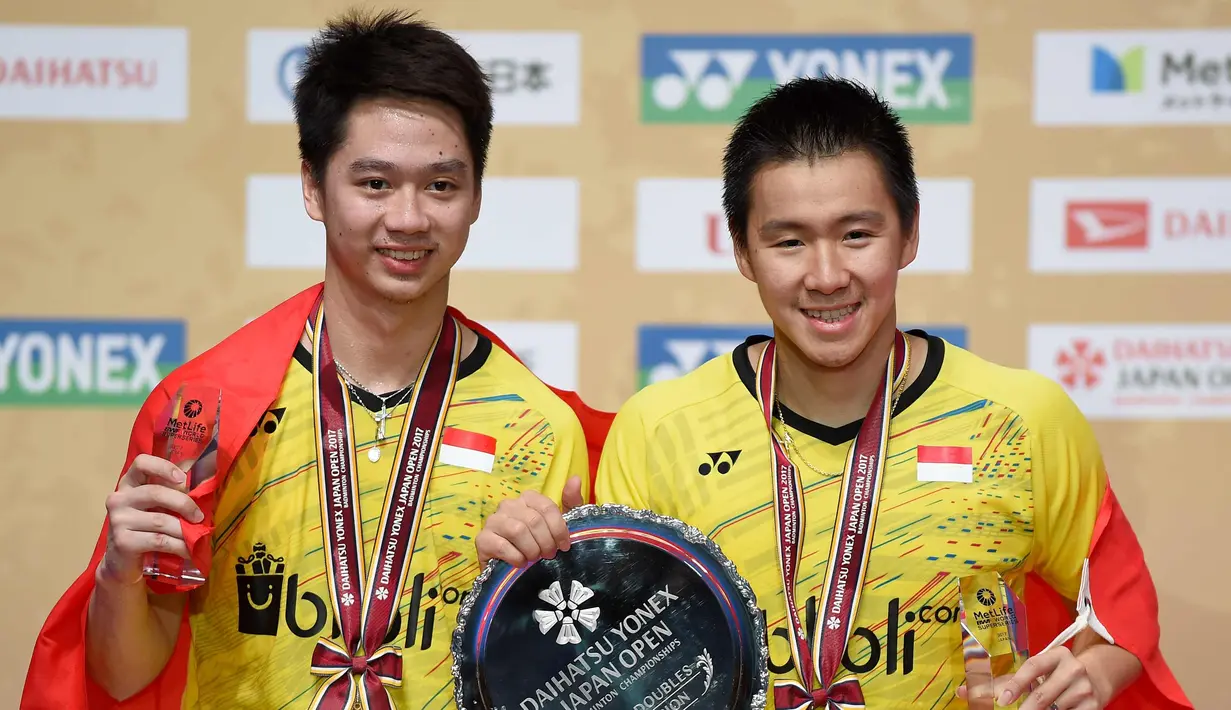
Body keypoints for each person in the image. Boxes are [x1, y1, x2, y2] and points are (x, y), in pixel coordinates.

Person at [475, 77, 1192, 710]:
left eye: (856, 234)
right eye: (788, 242)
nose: (825, 275)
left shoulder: (1020, 420)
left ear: (908, 233)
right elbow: (604, 668)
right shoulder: (661, 429)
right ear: (741, 250)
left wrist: (1089, 675)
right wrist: (523, 584)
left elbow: (1120, 612)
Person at [21, 9, 611, 710]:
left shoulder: (538, 429)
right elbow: (123, 678)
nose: (409, 217)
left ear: (476, 195)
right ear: (311, 186)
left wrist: (529, 600)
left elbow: (567, 681)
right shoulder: (207, 414)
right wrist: (120, 579)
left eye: (441, 185)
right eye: (374, 184)